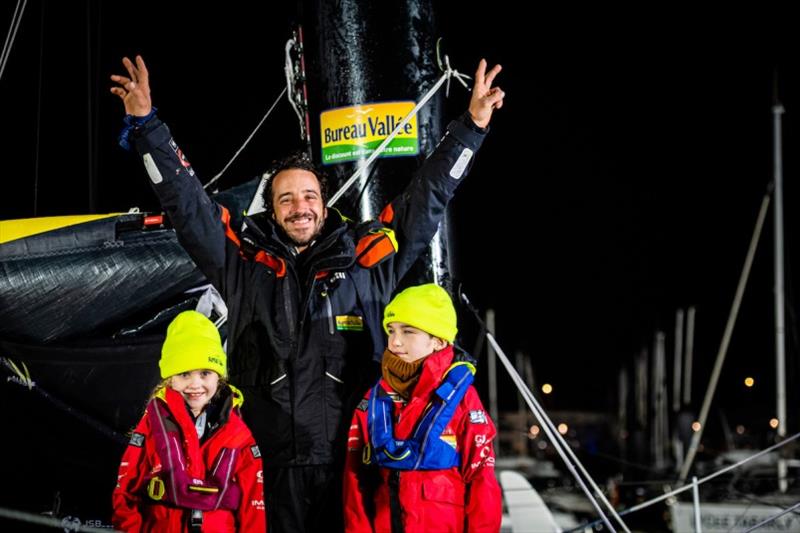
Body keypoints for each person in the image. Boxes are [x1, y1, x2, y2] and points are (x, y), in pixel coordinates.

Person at [110, 55, 504, 532]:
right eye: (286, 199)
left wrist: (472, 127)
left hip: (354, 468)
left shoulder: (368, 256)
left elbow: (428, 198)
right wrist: (147, 126)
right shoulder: (242, 263)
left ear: (324, 203)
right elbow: (187, 204)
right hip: (267, 469)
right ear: (272, 212)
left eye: (309, 196)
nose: (300, 207)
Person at [343, 283, 501, 532]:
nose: (395, 342)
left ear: (438, 341)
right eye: (391, 330)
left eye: (408, 332)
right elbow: (355, 482)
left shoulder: (463, 400)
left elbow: (482, 481)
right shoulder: (372, 401)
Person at [112, 311, 266, 532]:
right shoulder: (151, 426)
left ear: (219, 376)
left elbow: (254, 504)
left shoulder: (239, 434)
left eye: (205, 373)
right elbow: (126, 491)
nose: (195, 384)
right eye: (184, 374)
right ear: (170, 378)